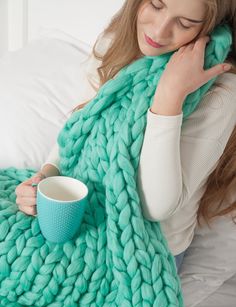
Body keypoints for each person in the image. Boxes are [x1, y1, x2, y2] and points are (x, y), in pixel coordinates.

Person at [15, 0, 236, 273]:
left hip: (145, 251)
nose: (159, 30)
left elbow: (154, 208)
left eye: (184, 23)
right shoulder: (122, 47)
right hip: (86, 217)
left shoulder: (221, 94)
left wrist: (169, 98)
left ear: (209, 29)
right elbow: (81, 128)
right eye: (156, 5)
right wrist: (45, 177)